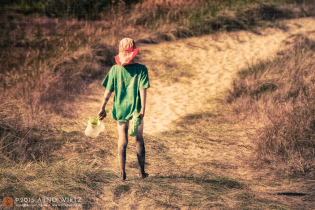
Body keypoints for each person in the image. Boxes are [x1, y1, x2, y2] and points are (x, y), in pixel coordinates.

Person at [98, 38, 150, 181]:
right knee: (138, 140)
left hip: (120, 110)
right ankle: (141, 173)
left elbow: (108, 92)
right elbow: (142, 90)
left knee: (122, 140)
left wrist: (102, 107)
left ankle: (122, 173)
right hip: (136, 111)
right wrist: (142, 110)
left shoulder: (115, 69)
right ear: (134, 51)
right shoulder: (141, 69)